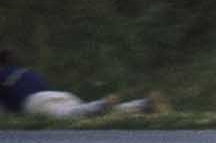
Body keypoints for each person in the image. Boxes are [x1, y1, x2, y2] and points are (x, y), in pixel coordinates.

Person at [0, 46, 148, 119]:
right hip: (58, 95)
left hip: (34, 103)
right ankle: (142, 104)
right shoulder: (29, 72)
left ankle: (102, 104)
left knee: (77, 114)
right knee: (90, 114)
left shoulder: (2, 74)